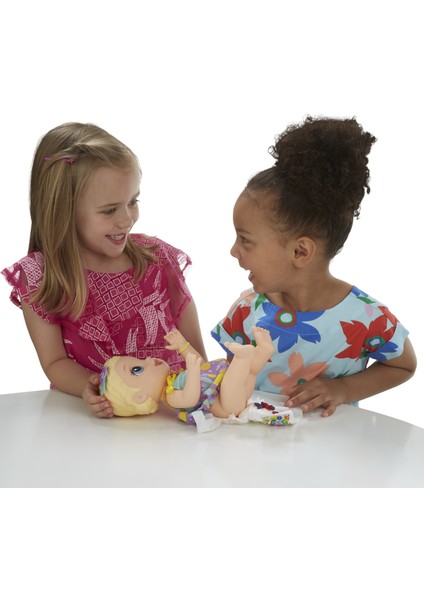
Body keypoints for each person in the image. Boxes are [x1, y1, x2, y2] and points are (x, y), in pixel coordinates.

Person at [212, 115, 417, 417]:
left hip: (332, 446)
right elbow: (230, 382)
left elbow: (403, 365)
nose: (233, 251)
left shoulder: (367, 318)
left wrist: (344, 389)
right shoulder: (246, 312)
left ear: (300, 251)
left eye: (245, 240)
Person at [2, 122, 206, 418]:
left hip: (172, 415)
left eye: (133, 201)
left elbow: (195, 350)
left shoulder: (157, 258)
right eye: (109, 210)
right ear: (64, 210)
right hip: (96, 426)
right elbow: (54, 362)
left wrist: (205, 386)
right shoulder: (41, 278)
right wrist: (94, 388)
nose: (126, 219)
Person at [99, 327, 287, 428]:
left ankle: (263, 351)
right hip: (226, 406)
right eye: (137, 369)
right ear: (140, 397)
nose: (148, 359)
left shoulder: (176, 379)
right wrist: (193, 371)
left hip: (231, 397)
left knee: (250, 373)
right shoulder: (170, 396)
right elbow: (190, 398)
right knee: (232, 381)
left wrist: (183, 346)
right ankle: (243, 357)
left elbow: (200, 363)